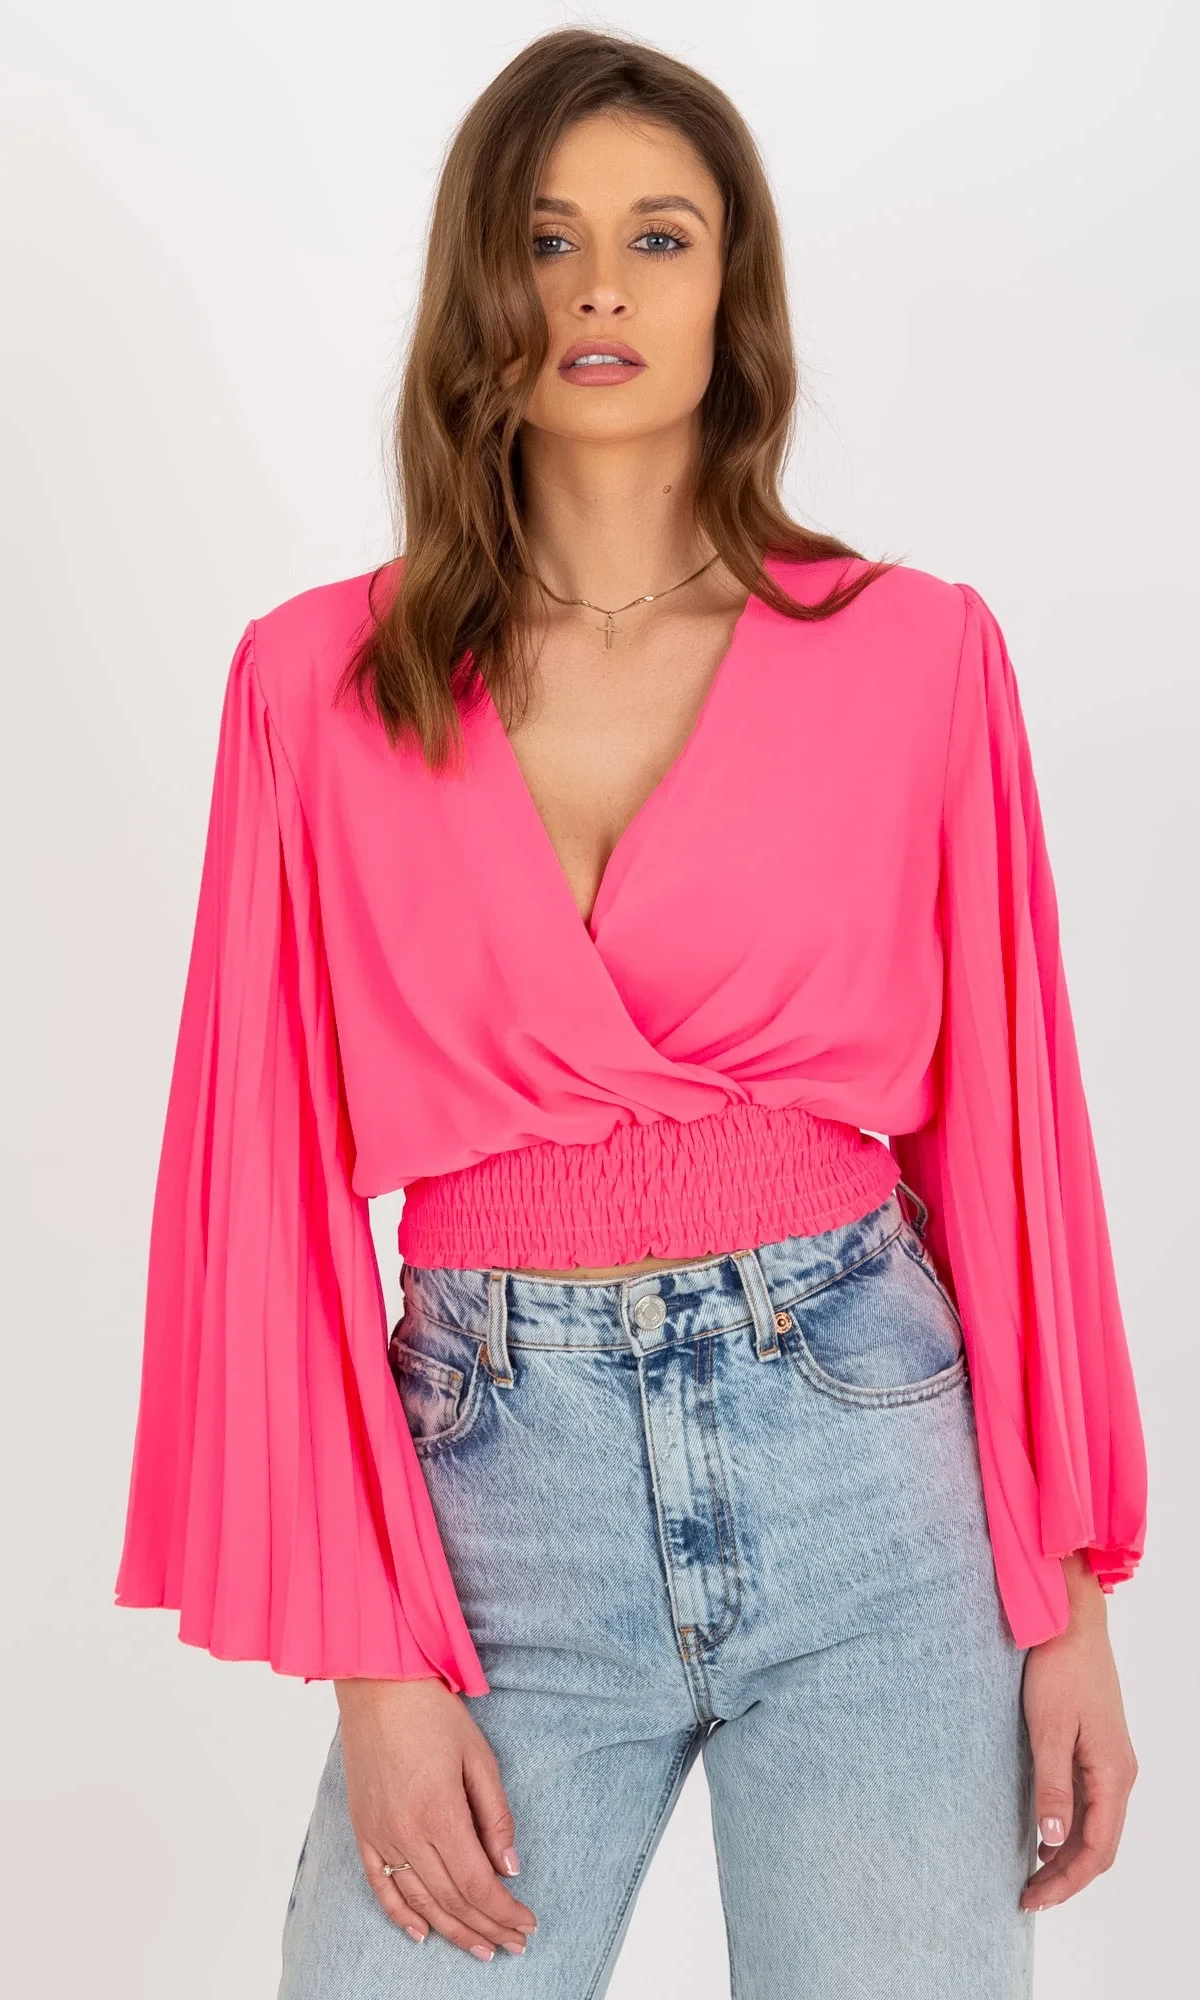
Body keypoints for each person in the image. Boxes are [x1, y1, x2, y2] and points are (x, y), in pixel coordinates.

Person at [112, 27, 1145, 1998]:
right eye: (547, 237)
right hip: (498, 1487)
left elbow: (1012, 1144)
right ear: (477, 289)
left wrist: (1069, 1599)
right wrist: (376, 1667)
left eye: (659, 237)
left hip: (870, 1471)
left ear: (730, 292)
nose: (600, 286)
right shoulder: (312, 687)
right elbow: (263, 1187)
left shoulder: (916, 653)